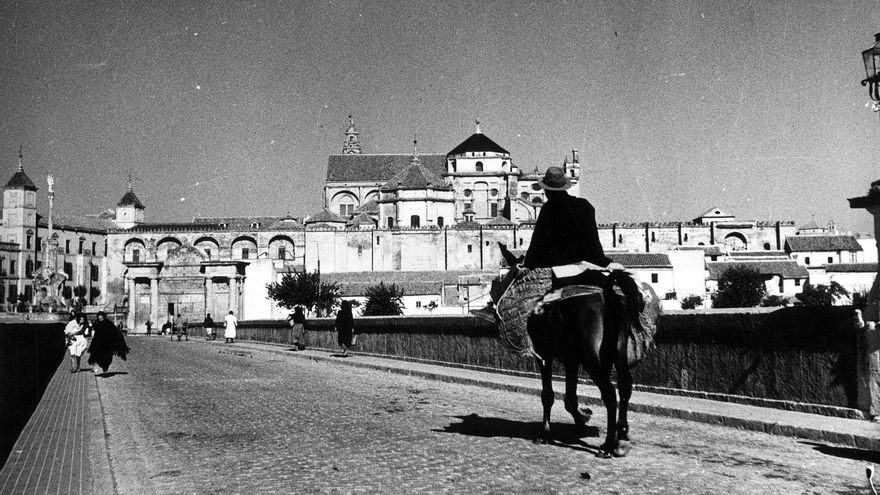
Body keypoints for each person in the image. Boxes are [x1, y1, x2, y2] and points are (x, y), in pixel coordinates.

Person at [88, 311, 130, 375]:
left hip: (108, 345)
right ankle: (103, 368)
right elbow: (96, 334)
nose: (100, 319)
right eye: (99, 318)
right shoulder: (97, 324)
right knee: (99, 358)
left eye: (101, 318)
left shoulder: (109, 323)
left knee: (108, 358)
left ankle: (105, 370)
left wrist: (119, 336)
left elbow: (115, 331)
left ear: (104, 317)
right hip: (99, 344)